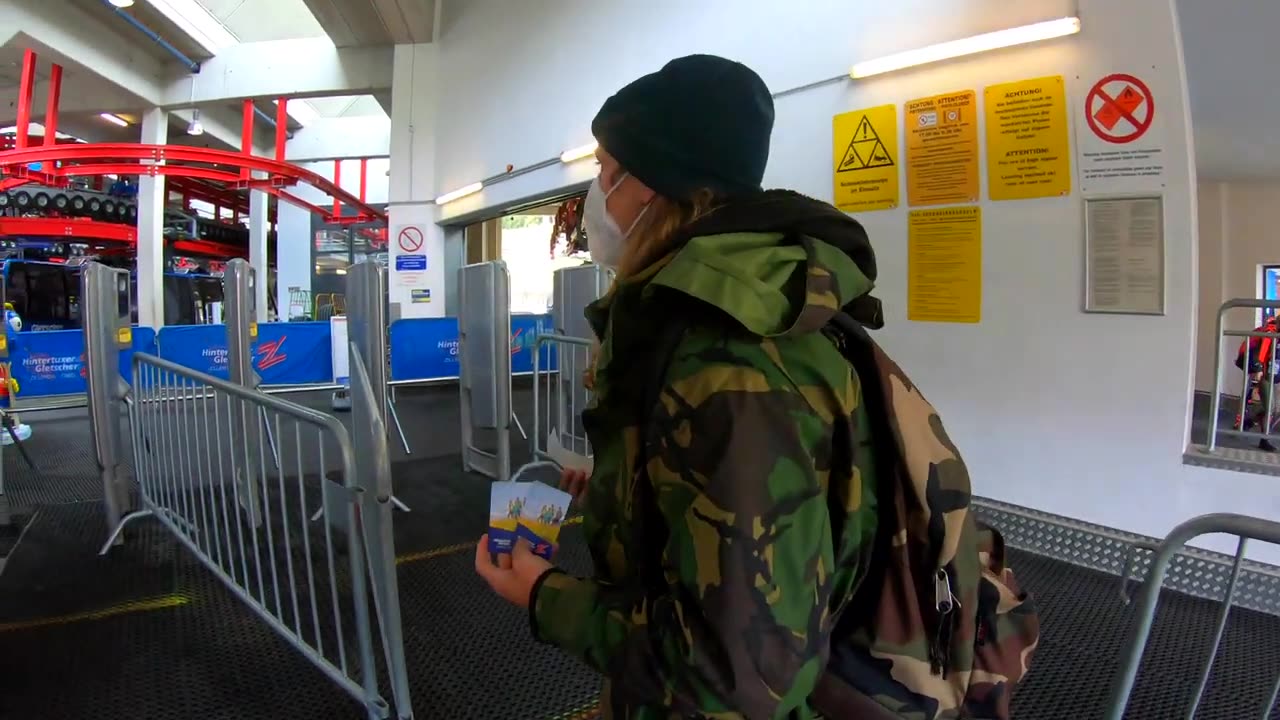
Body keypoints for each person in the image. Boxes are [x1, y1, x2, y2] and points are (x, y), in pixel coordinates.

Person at [475, 55, 1037, 719]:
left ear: (652, 184)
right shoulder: (749, 312)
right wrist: (624, 483)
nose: (597, 193)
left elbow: (736, 671)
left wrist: (545, 596)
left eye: (605, 170)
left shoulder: (727, 359)